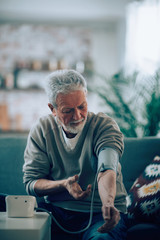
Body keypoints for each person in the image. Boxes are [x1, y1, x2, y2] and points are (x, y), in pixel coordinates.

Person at [23, 69, 128, 240]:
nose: (77, 116)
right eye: (67, 110)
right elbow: (31, 183)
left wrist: (108, 203)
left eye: (82, 106)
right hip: (56, 212)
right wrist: (63, 184)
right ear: (53, 109)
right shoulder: (42, 129)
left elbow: (107, 168)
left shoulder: (104, 126)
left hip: (99, 214)